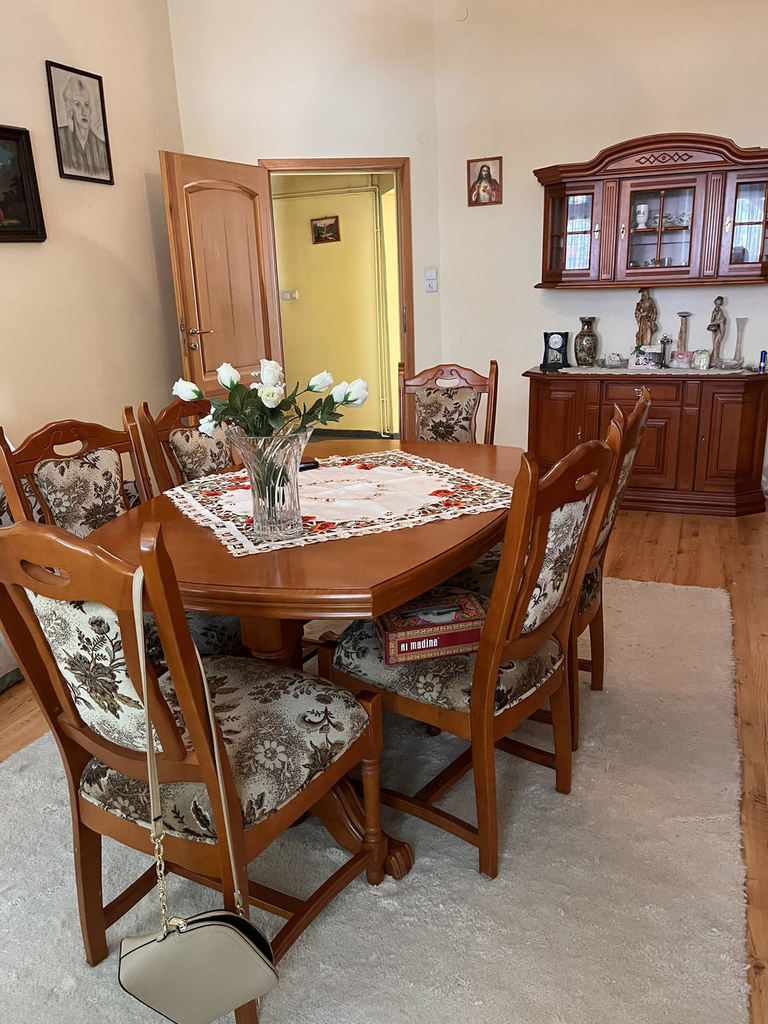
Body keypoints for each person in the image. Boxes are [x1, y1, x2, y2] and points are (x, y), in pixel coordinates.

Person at [56, 76, 110, 179]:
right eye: (77, 104)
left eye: (86, 104)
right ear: (70, 110)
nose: (84, 112)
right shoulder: (60, 138)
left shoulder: (102, 148)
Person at [707, 295, 726, 367]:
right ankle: (714, 358)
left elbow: (720, 320)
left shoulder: (720, 311)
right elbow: (712, 319)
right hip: (715, 330)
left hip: (720, 329)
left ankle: (716, 359)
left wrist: (711, 324)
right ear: (715, 302)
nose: (718, 304)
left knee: (716, 343)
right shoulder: (714, 311)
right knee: (714, 343)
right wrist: (712, 324)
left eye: (719, 303)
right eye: (717, 303)